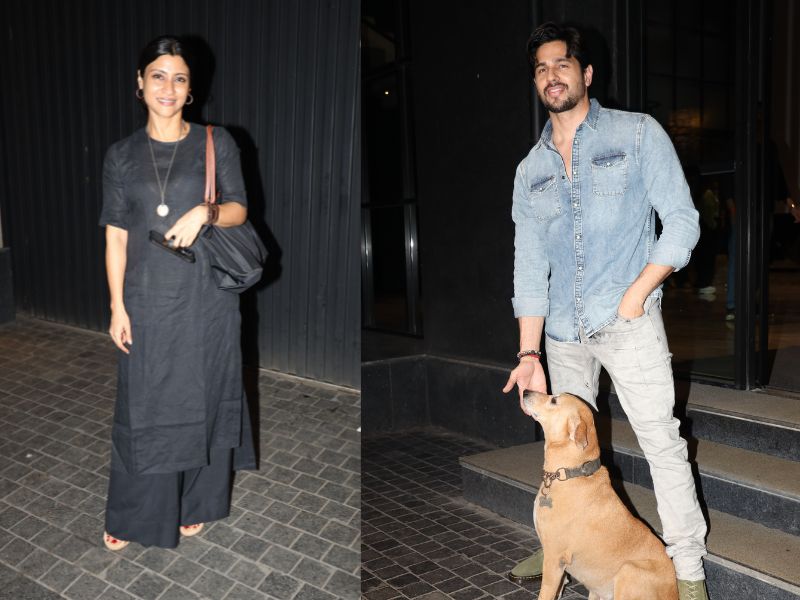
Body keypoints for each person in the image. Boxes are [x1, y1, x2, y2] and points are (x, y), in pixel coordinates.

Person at [501, 23, 709, 599]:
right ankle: (559, 542)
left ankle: (689, 572)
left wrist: (637, 293)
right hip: (562, 335)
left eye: (562, 64)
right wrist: (528, 351)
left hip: (627, 322)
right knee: (564, 449)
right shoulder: (530, 171)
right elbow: (528, 268)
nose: (552, 76)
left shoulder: (637, 134)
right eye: (541, 68)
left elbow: (683, 222)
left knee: (661, 443)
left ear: (586, 73)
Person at [100, 35, 255, 550]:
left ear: (191, 90)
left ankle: (197, 501)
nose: (168, 87)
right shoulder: (121, 156)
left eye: (180, 78)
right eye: (159, 76)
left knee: (205, 395)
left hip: (207, 300)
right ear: (140, 82)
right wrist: (117, 306)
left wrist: (204, 213)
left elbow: (239, 210)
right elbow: (115, 236)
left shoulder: (216, 142)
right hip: (146, 301)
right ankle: (134, 513)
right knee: (143, 405)